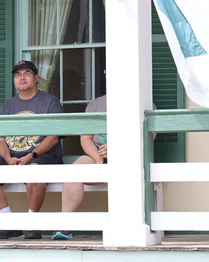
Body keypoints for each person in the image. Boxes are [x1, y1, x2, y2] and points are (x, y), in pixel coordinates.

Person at [0, 60, 64, 239]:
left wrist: (30, 155)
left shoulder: (50, 102)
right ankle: (8, 222)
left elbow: (53, 137)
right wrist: (8, 158)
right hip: (13, 157)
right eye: (18, 75)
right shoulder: (6, 106)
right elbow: (1, 140)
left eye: (27, 73)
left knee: (34, 170)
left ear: (36, 78)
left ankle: (32, 223)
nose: (22, 77)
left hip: (44, 156)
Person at [55, 94, 154, 240]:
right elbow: (85, 138)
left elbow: (149, 137)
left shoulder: (144, 103)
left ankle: (127, 228)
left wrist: (117, 147)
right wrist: (97, 158)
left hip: (130, 159)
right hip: (98, 155)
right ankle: (64, 227)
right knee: (74, 171)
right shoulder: (96, 105)